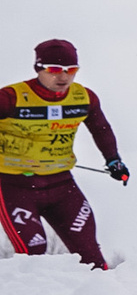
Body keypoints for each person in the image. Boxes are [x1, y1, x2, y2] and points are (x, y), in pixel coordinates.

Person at [1, 39, 129, 267]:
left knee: (89, 253)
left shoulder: (83, 97)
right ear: (38, 68)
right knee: (33, 253)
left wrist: (114, 160)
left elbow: (101, 129)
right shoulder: (12, 97)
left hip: (62, 186)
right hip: (14, 186)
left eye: (71, 71)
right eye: (54, 70)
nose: (63, 78)